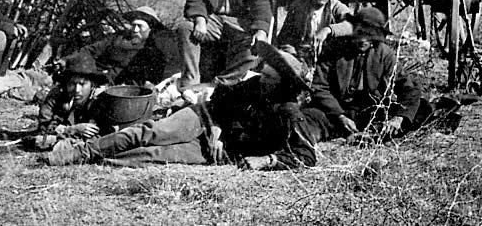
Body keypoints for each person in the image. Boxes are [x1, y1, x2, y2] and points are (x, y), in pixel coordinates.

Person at [42, 42, 332, 170]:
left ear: (283, 83)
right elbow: (219, 99)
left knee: (151, 156)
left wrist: (265, 161)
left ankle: (99, 158)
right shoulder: (251, 85)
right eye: (264, 70)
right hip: (202, 119)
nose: (262, 78)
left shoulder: (288, 113)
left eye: (270, 76)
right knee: (149, 133)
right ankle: (79, 152)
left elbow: (307, 155)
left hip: (222, 151)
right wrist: (217, 127)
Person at [311, 7, 421, 138]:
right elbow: (319, 87)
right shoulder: (335, 50)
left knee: (418, 110)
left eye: (369, 35)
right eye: (360, 33)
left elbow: (408, 88)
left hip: (372, 111)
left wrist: (398, 118)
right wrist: (340, 116)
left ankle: (373, 134)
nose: (363, 39)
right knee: (311, 116)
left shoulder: (384, 54)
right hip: (338, 109)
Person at [276, 0, 353, 65]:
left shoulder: (335, 7)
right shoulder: (299, 8)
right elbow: (285, 38)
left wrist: (328, 30)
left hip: (327, 62)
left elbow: (352, 24)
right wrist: (294, 56)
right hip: (301, 60)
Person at [37, 55, 112, 140]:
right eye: (72, 84)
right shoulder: (56, 95)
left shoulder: (100, 100)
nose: (77, 90)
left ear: (92, 85)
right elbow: (44, 126)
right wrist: (71, 130)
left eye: (82, 84)